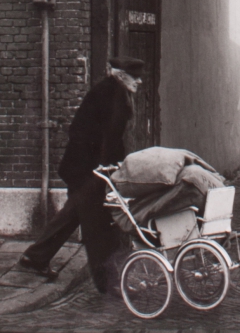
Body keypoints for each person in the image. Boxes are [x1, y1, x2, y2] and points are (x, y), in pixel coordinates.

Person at [18, 56, 145, 293]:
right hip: (88, 170)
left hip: (86, 168)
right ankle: (109, 284)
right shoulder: (110, 94)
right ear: (121, 76)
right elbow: (100, 136)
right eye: (135, 76)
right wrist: (103, 166)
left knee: (73, 214)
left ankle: (35, 258)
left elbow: (107, 136)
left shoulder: (114, 91)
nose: (139, 81)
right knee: (98, 225)